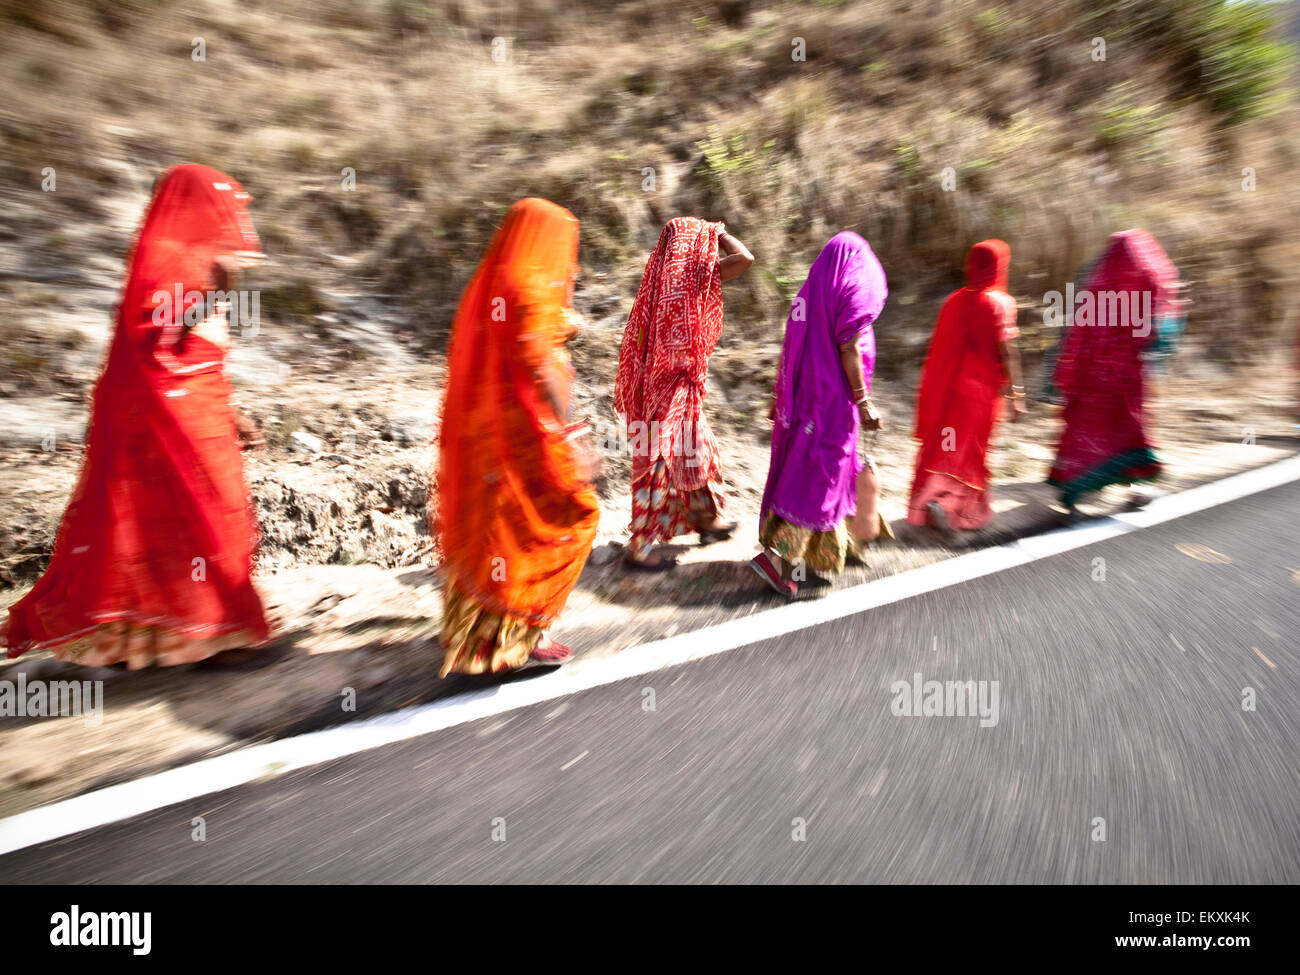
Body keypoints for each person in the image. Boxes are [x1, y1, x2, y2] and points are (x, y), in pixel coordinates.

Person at [2, 164, 271, 668]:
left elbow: (198, 347)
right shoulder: (163, 254)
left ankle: (162, 641)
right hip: (163, 411)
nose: (230, 219)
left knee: (189, 518)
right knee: (183, 518)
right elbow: (155, 334)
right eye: (221, 207)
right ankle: (192, 638)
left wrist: (236, 415)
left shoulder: (190, 256)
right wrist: (213, 294)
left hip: (200, 403)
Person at [435, 198, 600, 676]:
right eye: (566, 241)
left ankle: (475, 638)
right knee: (567, 516)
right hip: (526, 432)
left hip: (485, 427)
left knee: (494, 527)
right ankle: (515, 640)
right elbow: (540, 361)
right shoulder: (530, 286)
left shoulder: (492, 281)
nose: (571, 255)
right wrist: (572, 433)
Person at [751, 232, 889, 598]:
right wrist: (864, 402)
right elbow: (849, 348)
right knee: (815, 483)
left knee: (805, 474)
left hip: (804, 401)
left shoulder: (810, 295)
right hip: (831, 405)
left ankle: (829, 551)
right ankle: (779, 561)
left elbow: (791, 350)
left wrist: (776, 396)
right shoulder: (853, 291)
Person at [613, 217, 753, 570]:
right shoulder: (695, 281)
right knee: (660, 456)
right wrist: (719, 234)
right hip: (669, 388)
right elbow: (745, 258)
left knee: (697, 444)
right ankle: (640, 546)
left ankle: (708, 518)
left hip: (667, 386)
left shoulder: (658, 286)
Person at [1047, 228, 1180, 512]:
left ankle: (1076, 487)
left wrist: (1067, 372)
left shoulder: (1097, 282)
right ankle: (1136, 485)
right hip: (1126, 375)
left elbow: (1076, 333)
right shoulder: (1147, 277)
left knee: (1087, 431)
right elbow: (1160, 321)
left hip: (1090, 376)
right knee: (1127, 429)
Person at [907, 238, 1025, 533]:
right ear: (999, 267)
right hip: (980, 394)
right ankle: (956, 510)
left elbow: (939, 350)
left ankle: (931, 501)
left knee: (945, 445)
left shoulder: (954, 301)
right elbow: (1008, 352)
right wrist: (1017, 393)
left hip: (949, 391)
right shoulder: (1000, 303)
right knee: (969, 451)